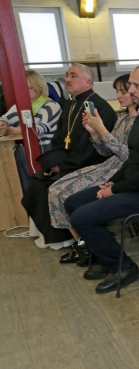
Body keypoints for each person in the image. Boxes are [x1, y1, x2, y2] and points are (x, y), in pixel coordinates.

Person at [64, 65, 139, 294]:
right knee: (73, 202)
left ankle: (124, 267)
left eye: (137, 86)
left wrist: (115, 190)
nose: (130, 90)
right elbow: (133, 160)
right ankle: (105, 254)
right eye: (130, 84)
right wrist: (113, 182)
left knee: (83, 217)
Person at [21, 64, 117, 247]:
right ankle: (59, 238)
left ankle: (70, 239)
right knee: (37, 182)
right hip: (69, 162)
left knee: (48, 187)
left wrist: (63, 167)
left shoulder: (98, 107)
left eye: (73, 75)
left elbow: (95, 149)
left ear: (88, 82)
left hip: (89, 164)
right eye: (66, 75)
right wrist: (52, 164)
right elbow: (58, 139)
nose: (67, 79)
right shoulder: (69, 105)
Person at [52, 74, 138, 266]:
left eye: (123, 92)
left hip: (121, 170)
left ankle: (89, 246)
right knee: (55, 189)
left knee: (65, 193)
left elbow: (128, 156)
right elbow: (106, 150)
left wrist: (103, 131)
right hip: (109, 164)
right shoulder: (123, 119)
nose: (119, 96)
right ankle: (82, 245)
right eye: (117, 92)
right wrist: (95, 134)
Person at [0, 70, 61, 190]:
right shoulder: (22, 105)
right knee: (18, 152)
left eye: (28, 88)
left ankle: (31, 192)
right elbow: (5, 118)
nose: (23, 91)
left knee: (21, 153)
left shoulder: (51, 106)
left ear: (38, 87)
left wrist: (10, 131)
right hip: (30, 147)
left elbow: (38, 130)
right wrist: (2, 124)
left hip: (46, 149)